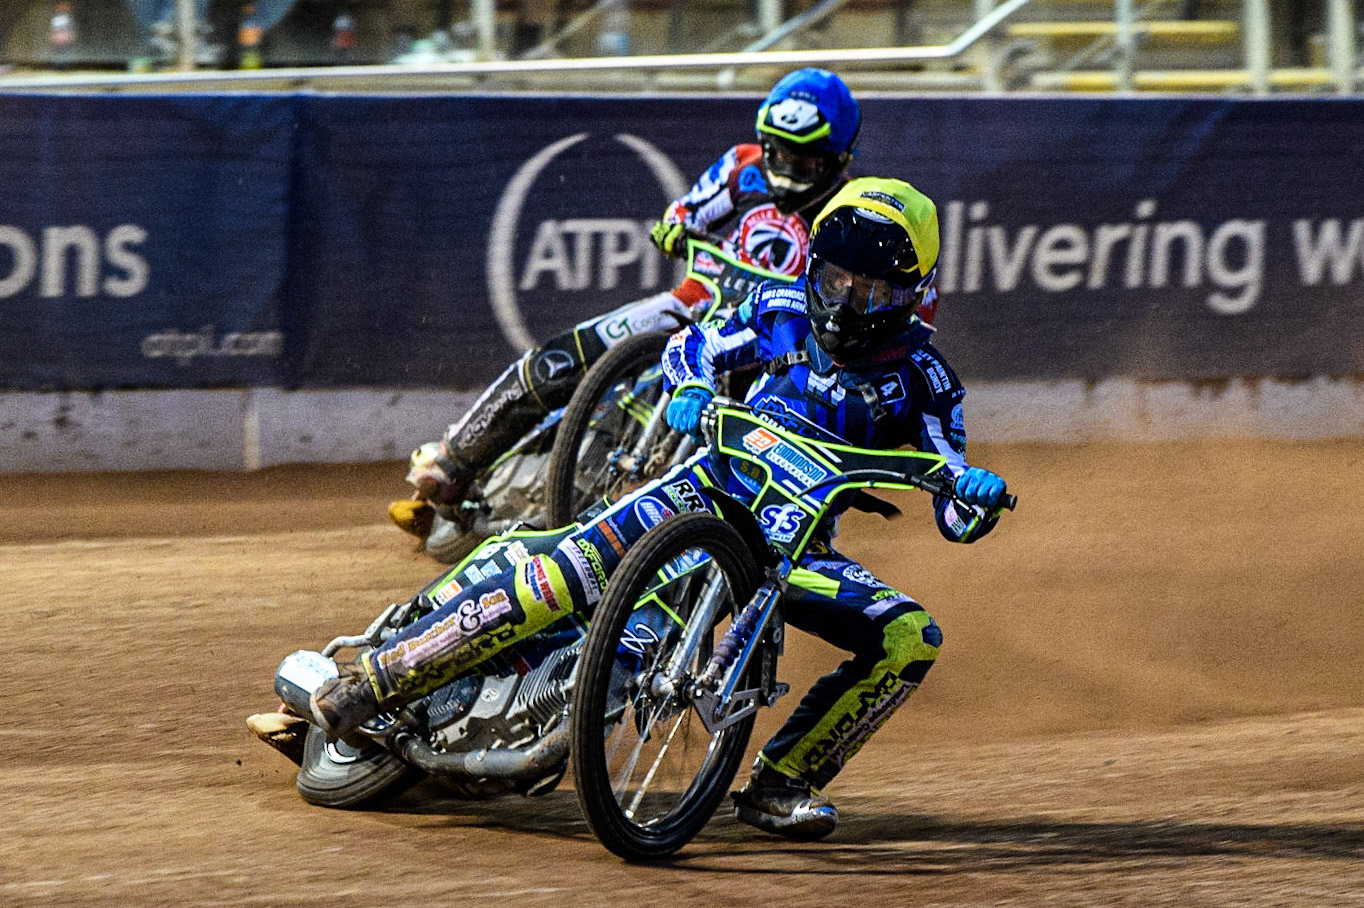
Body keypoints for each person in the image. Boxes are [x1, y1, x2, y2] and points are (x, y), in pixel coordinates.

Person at [311, 176, 1009, 841]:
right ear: (816, 269)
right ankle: (376, 681)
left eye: (871, 290)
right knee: (567, 570)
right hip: (702, 490)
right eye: (835, 281)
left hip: (794, 551)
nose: (846, 303)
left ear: (912, 294)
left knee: (910, 636)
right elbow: (693, 347)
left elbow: (950, 494)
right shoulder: (778, 310)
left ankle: (781, 783)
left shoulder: (927, 381)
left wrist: (971, 499)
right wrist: (690, 388)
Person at [389, 68, 865, 550]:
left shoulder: (851, 213)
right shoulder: (743, 167)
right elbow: (687, 211)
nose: (786, 169)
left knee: (754, 474)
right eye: (779, 153)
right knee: (566, 355)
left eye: (805, 162)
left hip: (767, 345)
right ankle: (453, 462)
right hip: (694, 303)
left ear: (840, 158)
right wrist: (675, 228)